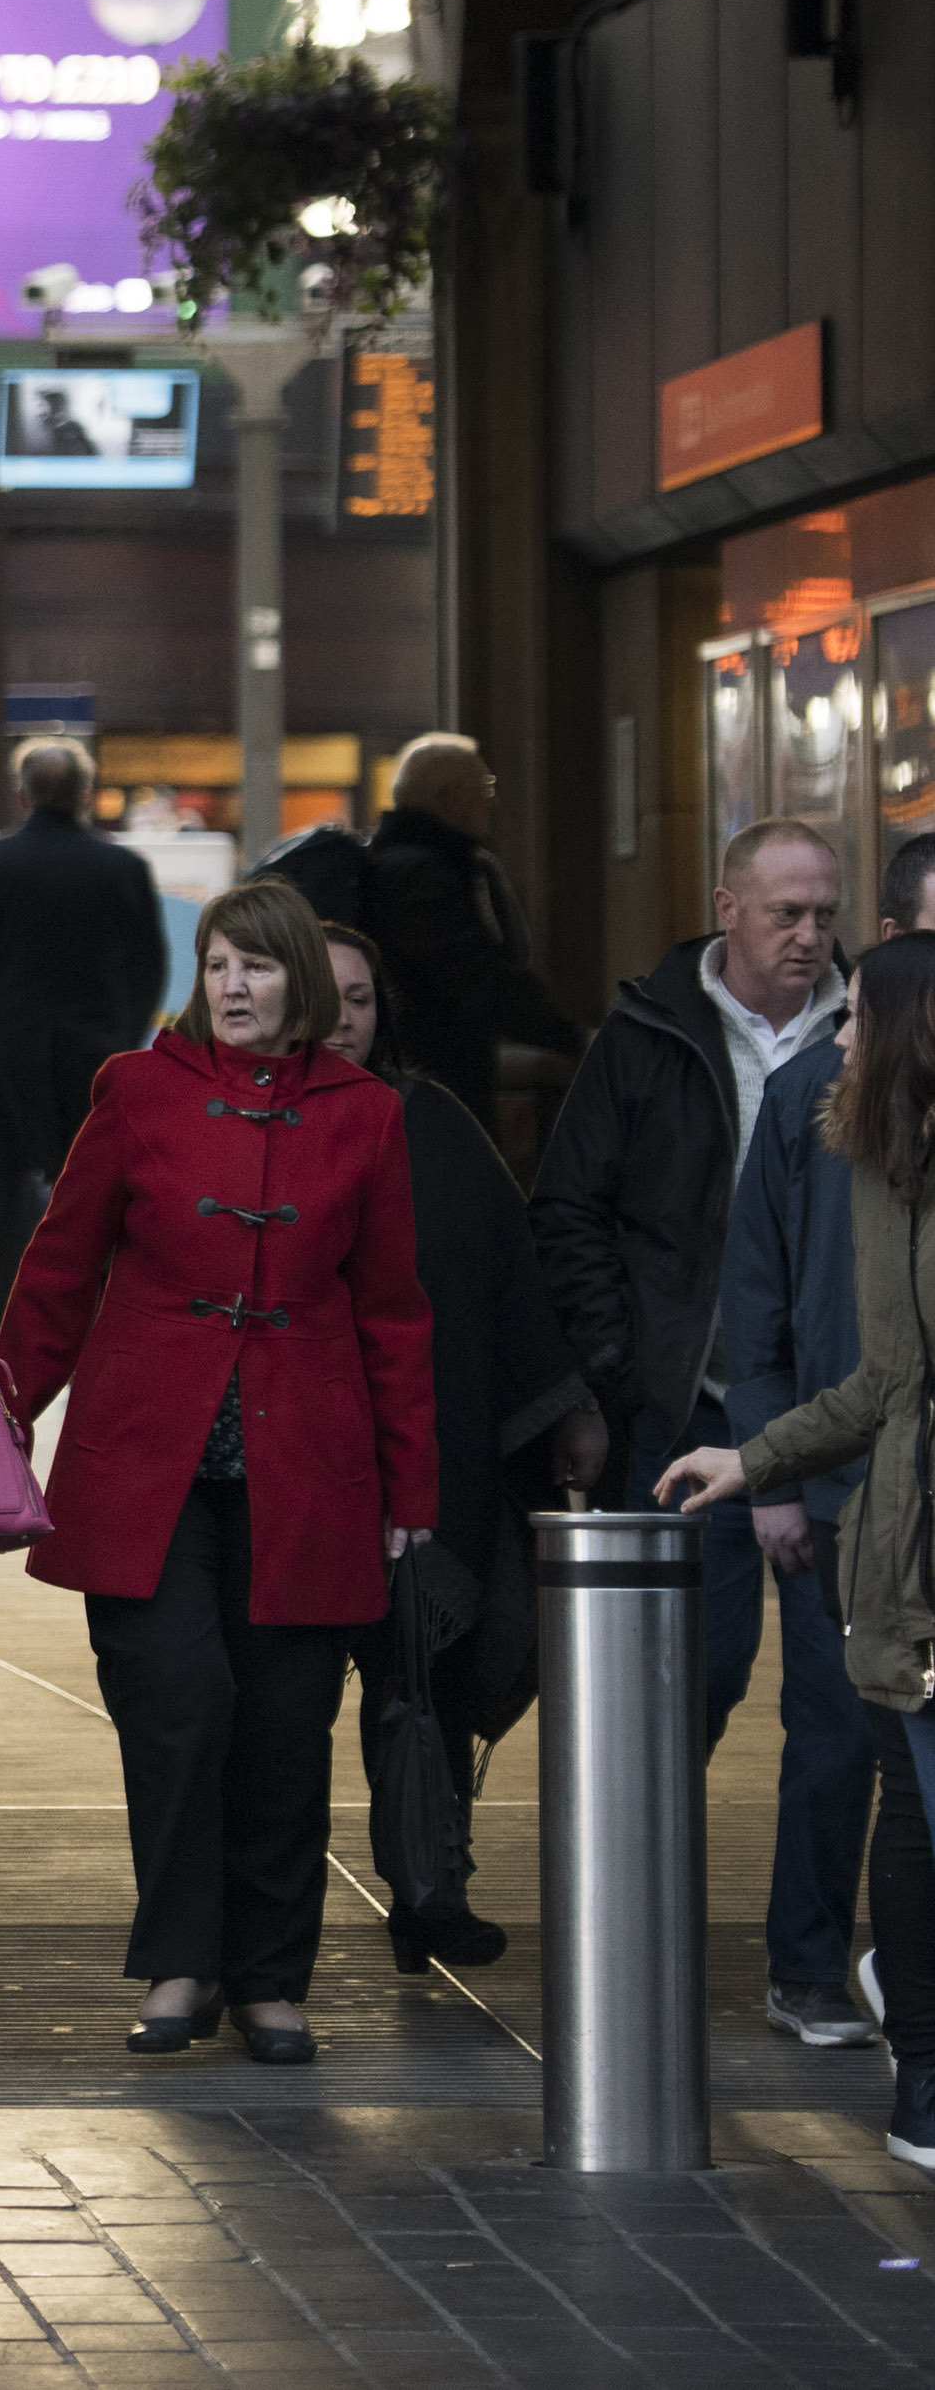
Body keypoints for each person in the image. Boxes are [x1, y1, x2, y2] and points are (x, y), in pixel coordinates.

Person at [0, 878, 435, 2067]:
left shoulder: (363, 1115)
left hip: (311, 1462)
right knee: (177, 1705)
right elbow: (57, 1267)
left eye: (255, 966)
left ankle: (268, 1978)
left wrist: (412, 1490)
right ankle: (182, 1961)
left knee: (287, 1723)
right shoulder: (134, 1090)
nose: (232, 987)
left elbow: (392, 1312)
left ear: (299, 980)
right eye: (216, 965)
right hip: (147, 1459)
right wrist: (5, 1408)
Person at [660, 927, 935, 2180]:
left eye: (856, 1019)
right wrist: (751, 1459)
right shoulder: (865, 1163)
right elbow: (885, 1377)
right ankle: (922, 2083)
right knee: (908, 1793)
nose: (837, 1038)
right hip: (910, 1555)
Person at [314, 921, 582, 1975]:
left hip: (425, 1456)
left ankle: (430, 1883)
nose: (341, 1017)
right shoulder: (243, 1123)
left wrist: (563, 1406)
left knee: (417, 1676)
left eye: (360, 998)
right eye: (321, 992)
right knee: (284, 1703)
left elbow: (508, 1275)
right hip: (282, 1464)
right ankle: (263, 1936)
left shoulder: (431, 1125)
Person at [537, 815, 844, 1533]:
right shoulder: (649, 1029)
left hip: (836, 1399)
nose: (809, 935)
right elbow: (568, 1206)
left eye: (826, 916)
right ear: (727, 908)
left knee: (844, 1639)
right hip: (683, 1399)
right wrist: (623, 1363)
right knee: (691, 1641)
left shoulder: (865, 1028)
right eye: (787, 914)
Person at [0, 740, 164, 1329]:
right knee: (94, 1195)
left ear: (22, 795)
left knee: (6, 1199)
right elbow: (148, 968)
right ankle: (91, 1314)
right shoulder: (122, 868)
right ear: (86, 795)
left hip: (6, 1059)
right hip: (94, 1060)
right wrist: (124, 1040)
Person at [359, 732, 583, 1124]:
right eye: (485, 788)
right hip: (433, 1075)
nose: (492, 801)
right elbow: (478, 974)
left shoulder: (404, 865)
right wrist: (568, 1037)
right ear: (452, 797)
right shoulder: (422, 876)